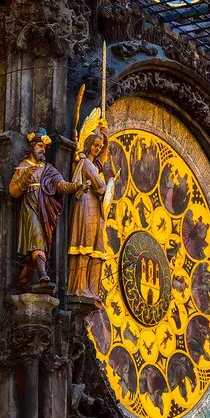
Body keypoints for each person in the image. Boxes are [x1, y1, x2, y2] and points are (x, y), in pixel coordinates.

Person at [8, 129, 76, 289]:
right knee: (37, 239)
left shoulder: (49, 169)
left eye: (44, 148)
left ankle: (25, 279)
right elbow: (13, 191)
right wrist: (25, 177)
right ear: (32, 146)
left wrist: (76, 186)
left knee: (40, 243)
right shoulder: (23, 166)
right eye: (40, 146)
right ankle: (43, 275)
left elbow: (61, 185)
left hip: (45, 210)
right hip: (30, 208)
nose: (43, 150)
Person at [63, 110, 113, 302]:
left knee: (97, 250)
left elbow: (102, 162)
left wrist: (106, 141)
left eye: (100, 146)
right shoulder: (85, 164)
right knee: (84, 245)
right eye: (95, 145)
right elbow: (100, 187)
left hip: (96, 208)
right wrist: (106, 187)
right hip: (85, 205)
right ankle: (79, 287)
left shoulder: (94, 165)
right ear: (88, 145)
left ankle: (93, 289)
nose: (98, 149)